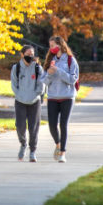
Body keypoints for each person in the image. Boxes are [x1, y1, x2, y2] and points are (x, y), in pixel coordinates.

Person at [43, 35, 79, 163]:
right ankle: (57, 144)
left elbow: (72, 79)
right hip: (53, 96)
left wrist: (58, 71)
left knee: (63, 125)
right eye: (50, 46)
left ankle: (63, 153)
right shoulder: (49, 60)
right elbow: (44, 81)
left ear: (60, 45)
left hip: (67, 96)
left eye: (53, 46)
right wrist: (50, 74)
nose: (51, 48)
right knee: (52, 125)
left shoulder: (70, 60)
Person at [11, 45, 46, 162]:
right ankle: (23, 143)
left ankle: (32, 151)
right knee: (20, 126)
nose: (30, 56)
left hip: (34, 102)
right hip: (20, 101)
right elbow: (14, 85)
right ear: (22, 54)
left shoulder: (37, 68)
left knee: (34, 128)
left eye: (32, 54)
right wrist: (20, 95)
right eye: (28, 54)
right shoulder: (16, 68)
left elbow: (41, 85)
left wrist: (35, 95)